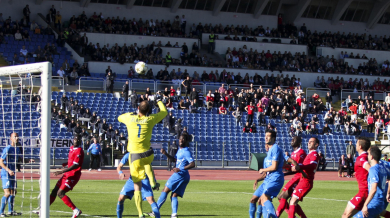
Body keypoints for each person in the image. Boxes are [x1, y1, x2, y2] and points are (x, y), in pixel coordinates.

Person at [118, 99, 167, 218]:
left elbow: (120, 117)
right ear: (149, 111)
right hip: (148, 154)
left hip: (135, 156)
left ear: (138, 109)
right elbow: (164, 112)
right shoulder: (150, 119)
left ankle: (140, 214)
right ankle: (153, 182)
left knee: (137, 186)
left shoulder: (130, 118)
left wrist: (132, 114)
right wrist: (159, 101)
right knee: (147, 164)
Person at [250, 130, 295, 218]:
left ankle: (274, 216)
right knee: (257, 199)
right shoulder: (268, 155)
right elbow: (267, 172)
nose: (266, 137)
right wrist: (258, 179)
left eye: (268, 136)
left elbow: (274, 167)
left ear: (273, 138)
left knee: (263, 198)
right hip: (268, 179)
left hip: (275, 178)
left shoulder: (276, 149)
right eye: (265, 135)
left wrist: (263, 169)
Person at [157, 134, 195, 218]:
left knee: (165, 190)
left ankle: (155, 211)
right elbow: (175, 159)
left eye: (183, 139)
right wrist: (166, 154)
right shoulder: (180, 150)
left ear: (186, 141)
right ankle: (174, 215)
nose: (181, 140)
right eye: (180, 139)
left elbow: (193, 164)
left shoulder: (186, 151)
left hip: (179, 175)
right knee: (174, 195)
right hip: (184, 176)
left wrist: (180, 169)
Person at [116, 152, 160, 218]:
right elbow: (119, 167)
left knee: (150, 199)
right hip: (132, 179)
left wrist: (154, 182)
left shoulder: (145, 155)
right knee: (120, 198)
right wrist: (120, 173)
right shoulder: (128, 155)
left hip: (144, 180)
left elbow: (150, 170)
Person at [49, 136, 84, 218]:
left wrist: (62, 171)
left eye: (78, 139)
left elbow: (76, 165)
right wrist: (66, 163)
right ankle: (44, 209)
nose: (76, 140)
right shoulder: (71, 148)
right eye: (75, 138)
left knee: (60, 193)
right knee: (54, 191)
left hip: (73, 175)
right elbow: (72, 161)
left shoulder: (79, 150)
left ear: (80, 141)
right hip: (67, 174)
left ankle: (76, 210)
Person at [288, 137, 320, 218]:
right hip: (303, 180)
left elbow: (313, 165)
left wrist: (300, 166)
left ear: (316, 144)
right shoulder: (309, 154)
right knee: (292, 201)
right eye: (309, 141)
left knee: (292, 202)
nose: (309, 143)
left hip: (306, 181)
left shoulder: (314, 154)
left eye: (311, 142)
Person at [276, 136, 307, 217]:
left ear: (299, 142)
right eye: (292, 139)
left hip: (300, 178)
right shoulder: (293, 153)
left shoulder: (301, 153)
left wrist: (286, 167)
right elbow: (293, 169)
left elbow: (298, 168)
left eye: (294, 139)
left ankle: (277, 215)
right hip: (296, 177)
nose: (292, 140)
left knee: (285, 198)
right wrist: (284, 167)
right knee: (281, 197)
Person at [353, 146, 387, 218]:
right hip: (380, 202)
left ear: (371, 157)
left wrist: (365, 205)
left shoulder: (373, 169)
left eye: (368, 154)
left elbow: (374, 189)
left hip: (375, 202)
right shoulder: (382, 168)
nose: (367, 156)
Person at [342, 137, 371, 218]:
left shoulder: (362, 158)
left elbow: (371, 169)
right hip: (366, 191)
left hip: (364, 192)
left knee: (346, 215)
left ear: (360, 147)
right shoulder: (368, 156)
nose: (356, 145)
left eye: (357, 144)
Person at [0, 133, 21, 217]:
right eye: (15, 136)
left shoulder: (17, 149)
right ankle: (1, 212)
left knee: (13, 192)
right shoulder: (7, 149)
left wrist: (28, 160)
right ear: (11, 139)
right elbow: (1, 162)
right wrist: (8, 170)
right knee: (8, 192)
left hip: (12, 173)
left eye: (17, 136)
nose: (17, 138)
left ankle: (10, 211)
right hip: (6, 173)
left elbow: (20, 160)